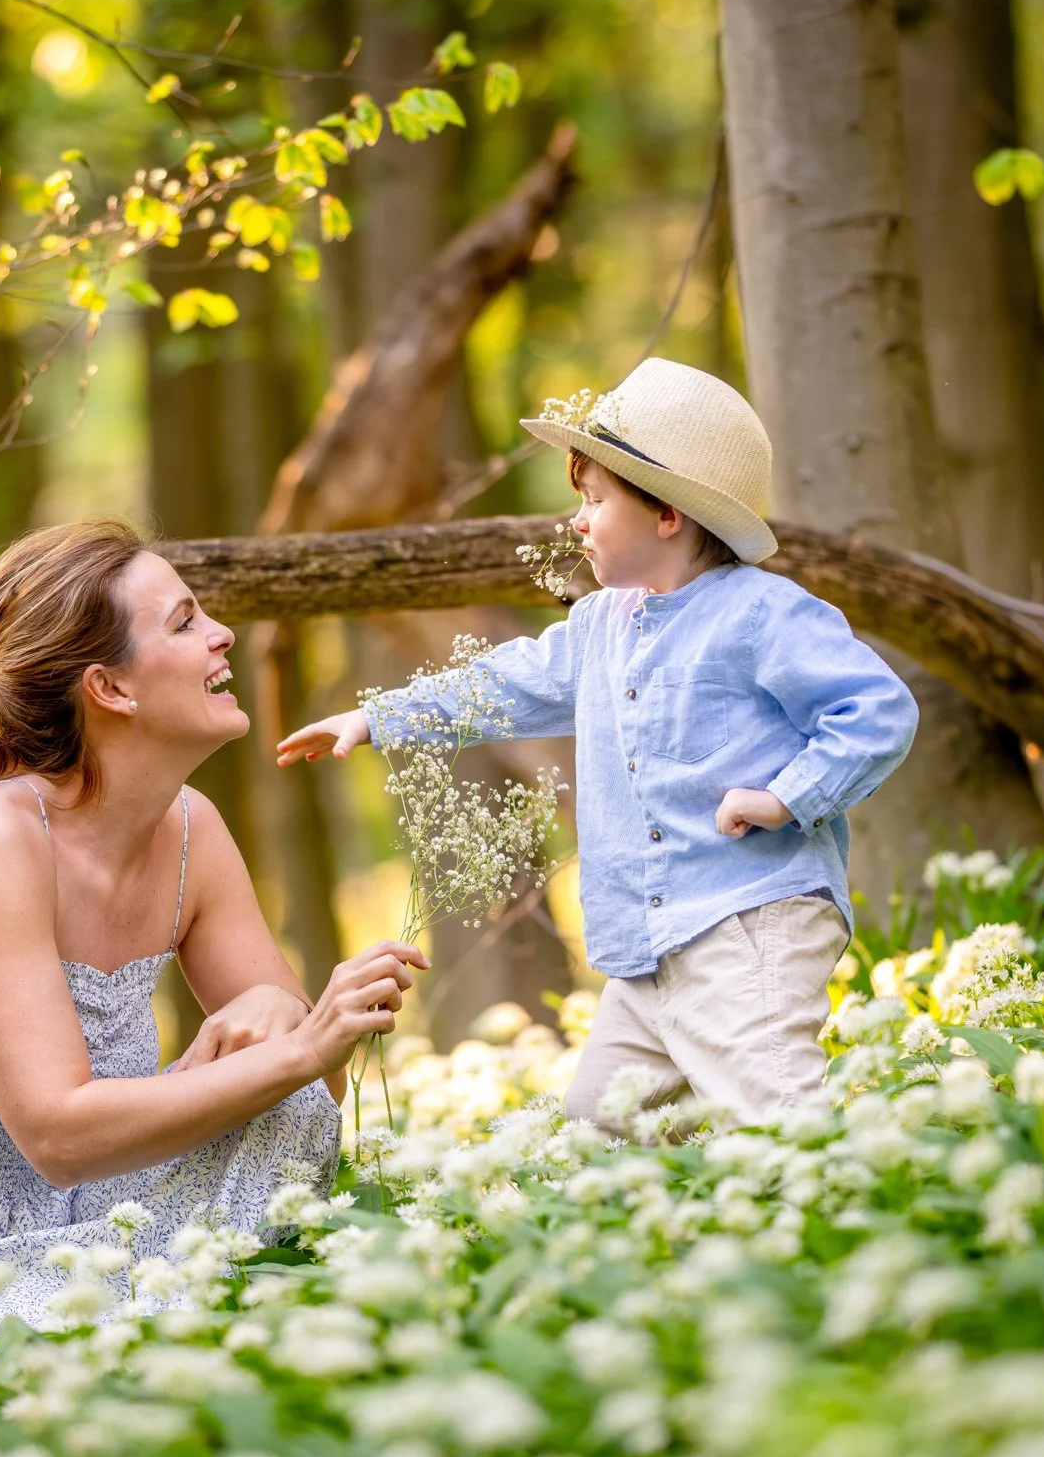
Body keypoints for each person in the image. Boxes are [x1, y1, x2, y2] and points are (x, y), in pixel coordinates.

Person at [0, 520, 425, 1376]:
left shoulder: (191, 831)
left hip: (81, 1223)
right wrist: (297, 1044)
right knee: (263, 1129)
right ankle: (189, 1334)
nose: (223, 633)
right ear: (110, 688)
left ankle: (189, 1332)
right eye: (185, 623)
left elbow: (314, 1085)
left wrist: (287, 1022)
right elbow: (58, 1133)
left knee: (292, 1110)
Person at [280, 358, 917, 1134]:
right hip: (645, 953)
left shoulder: (762, 614)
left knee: (774, 1111)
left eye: (594, 500)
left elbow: (875, 709)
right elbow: (506, 684)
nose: (576, 520)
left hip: (746, 923)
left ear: (668, 514)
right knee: (598, 1123)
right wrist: (381, 718)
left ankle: (852, 1231)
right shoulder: (600, 625)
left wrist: (787, 796)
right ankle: (683, 1248)